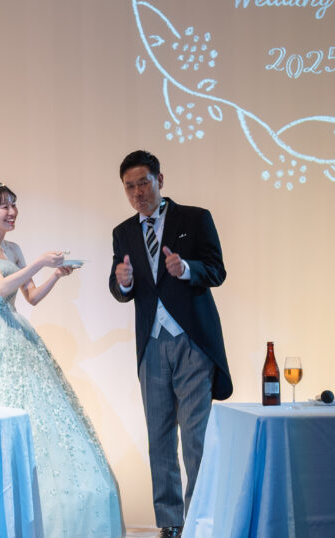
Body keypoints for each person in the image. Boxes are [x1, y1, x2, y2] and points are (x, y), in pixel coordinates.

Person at [0, 182, 124, 538]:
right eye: (3, 206)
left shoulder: (14, 248)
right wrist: (40, 262)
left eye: (13, 204)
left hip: (15, 331)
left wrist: (54, 274)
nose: (11, 212)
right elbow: (0, 288)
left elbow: (31, 297)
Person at [108, 150, 232, 538]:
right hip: (152, 344)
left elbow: (217, 270)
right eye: (130, 187)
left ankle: (199, 519)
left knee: (196, 437)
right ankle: (171, 522)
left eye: (144, 183)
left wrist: (187, 268)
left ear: (160, 180)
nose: (137, 193)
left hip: (192, 341)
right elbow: (120, 287)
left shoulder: (195, 218)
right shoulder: (123, 232)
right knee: (159, 437)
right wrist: (123, 280)